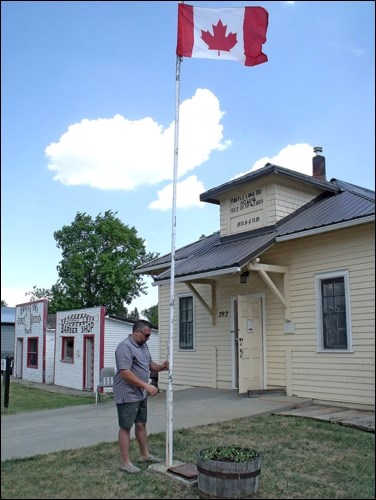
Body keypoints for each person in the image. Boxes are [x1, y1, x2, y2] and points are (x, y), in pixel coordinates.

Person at [114, 319, 169, 473]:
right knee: (125, 427)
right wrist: (146, 386)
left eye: (149, 336)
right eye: (146, 335)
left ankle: (145, 455)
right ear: (137, 332)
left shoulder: (143, 345)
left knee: (141, 424)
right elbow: (125, 372)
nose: (148, 338)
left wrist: (162, 367)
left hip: (140, 393)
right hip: (127, 393)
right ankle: (125, 463)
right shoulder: (124, 347)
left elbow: (149, 364)